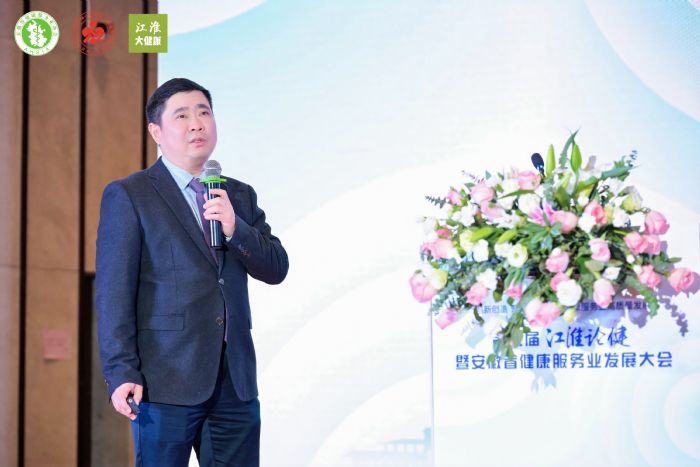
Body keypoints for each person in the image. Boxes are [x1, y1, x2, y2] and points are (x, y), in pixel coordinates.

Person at [95, 77, 288, 466]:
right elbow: (114, 294)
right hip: (164, 381)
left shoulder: (238, 195)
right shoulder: (131, 195)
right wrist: (120, 370)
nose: (197, 124)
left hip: (234, 381)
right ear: (157, 132)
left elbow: (276, 267)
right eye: (182, 116)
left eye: (204, 113)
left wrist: (235, 229)